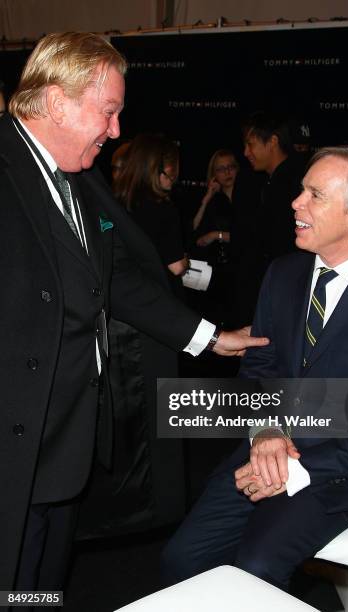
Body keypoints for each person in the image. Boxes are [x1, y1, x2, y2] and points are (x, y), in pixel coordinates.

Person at [0, 32, 268, 592]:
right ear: (56, 102)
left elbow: (114, 279)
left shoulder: (76, 177)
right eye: (109, 111)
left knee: (42, 586)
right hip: (15, 446)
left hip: (64, 444)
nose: (117, 129)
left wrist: (209, 337)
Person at [162, 145, 348, 591]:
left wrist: (290, 469)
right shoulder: (283, 274)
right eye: (301, 191)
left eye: (315, 194)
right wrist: (266, 433)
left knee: (256, 566)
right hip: (265, 446)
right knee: (182, 560)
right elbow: (259, 366)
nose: (296, 203)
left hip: (343, 472)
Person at [230, 112, 306, 326]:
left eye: (251, 145)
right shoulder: (266, 182)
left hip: (282, 292)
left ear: (272, 142)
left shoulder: (294, 183)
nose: (246, 153)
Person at [115, 133, 188, 297]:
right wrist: (185, 261)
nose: (175, 175)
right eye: (173, 166)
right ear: (160, 168)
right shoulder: (164, 208)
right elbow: (176, 267)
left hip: (124, 296)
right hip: (157, 299)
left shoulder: (118, 201)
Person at [191, 149, 239, 326]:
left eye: (231, 167)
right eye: (221, 169)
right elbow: (193, 232)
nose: (227, 172)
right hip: (216, 274)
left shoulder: (248, 196)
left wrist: (216, 235)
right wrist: (207, 198)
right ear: (213, 174)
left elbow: (250, 235)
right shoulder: (214, 201)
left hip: (241, 270)